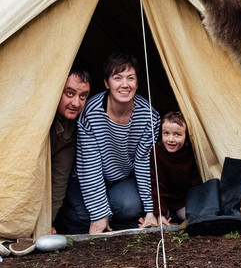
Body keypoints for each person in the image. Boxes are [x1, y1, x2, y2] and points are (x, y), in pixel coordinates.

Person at [55, 52, 161, 234]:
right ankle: (105, 215)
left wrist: (151, 211)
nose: (125, 84)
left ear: (137, 83)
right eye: (117, 78)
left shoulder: (150, 117)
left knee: (130, 206)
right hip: (84, 179)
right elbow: (89, 166)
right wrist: (98, 214)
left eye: (130, 78)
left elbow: (144, 164)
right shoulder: (90, 112)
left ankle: (111, 215)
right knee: (85, 216)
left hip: (120, 179)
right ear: (106, 83)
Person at [140, 111, 202, 227]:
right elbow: (158, 183)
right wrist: (160, 213)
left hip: (182, 200)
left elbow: (196, 183)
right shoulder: (157, 152)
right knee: (161, 219)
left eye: (177, 134)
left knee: (191, 216)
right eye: (166, 133)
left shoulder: (191, 153)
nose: (170, 139)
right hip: (164, 200)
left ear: (186, 135)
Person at [49, 68, 91, 233]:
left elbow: (60, 178)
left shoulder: (71, 126)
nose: (76, 103)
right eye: (69, 94)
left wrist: (47, 221)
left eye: (82, 96)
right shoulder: (37, 117)